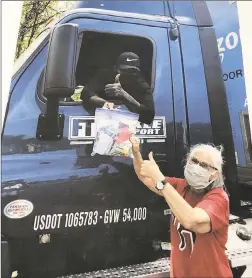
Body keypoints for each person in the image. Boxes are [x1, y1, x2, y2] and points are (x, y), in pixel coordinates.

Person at [130, 136, 233, 278]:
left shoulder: (219, 198)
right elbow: (145, 178)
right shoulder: (181, 186)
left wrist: (159, 178)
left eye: (204, 165)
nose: (196, 167)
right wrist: (136, 153)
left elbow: (191, 220)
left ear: (214, 174)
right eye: (194, 161)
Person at [81, 52, 155, 125]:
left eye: (132, 71)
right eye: (124, 71)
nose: (128, 75)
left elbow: (149, 117)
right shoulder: (105, 77)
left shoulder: (141, 85)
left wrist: (125, 95)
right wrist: (103, 102)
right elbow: (85, 91)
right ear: (115, 69)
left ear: (138, 72)